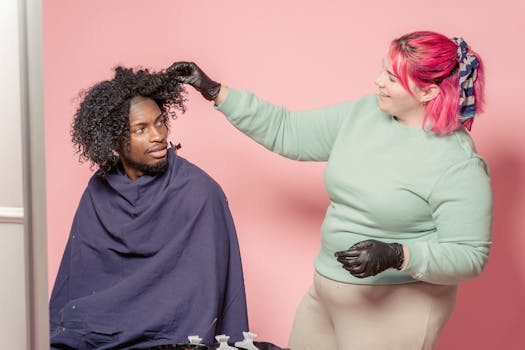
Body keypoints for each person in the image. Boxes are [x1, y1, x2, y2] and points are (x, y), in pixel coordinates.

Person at [169, 30, 493, 349]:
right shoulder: (365, 113)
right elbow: (287, 131)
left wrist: (398, 254)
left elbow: (469, 254)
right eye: (383, 69)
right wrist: (215, 91)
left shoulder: (456, 162)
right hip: (327, 292)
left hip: (397, 308)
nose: (378, 81)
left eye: (393, 78)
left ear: (429, 93)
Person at [49, 66, 249, 349]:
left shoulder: (200, 193)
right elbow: (78, 286)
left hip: (172, 339)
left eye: (160, 122)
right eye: (141, 129)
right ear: (114, 140)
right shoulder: (99, 190)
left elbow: (203, 302)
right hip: (99, 332)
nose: (158, 136)